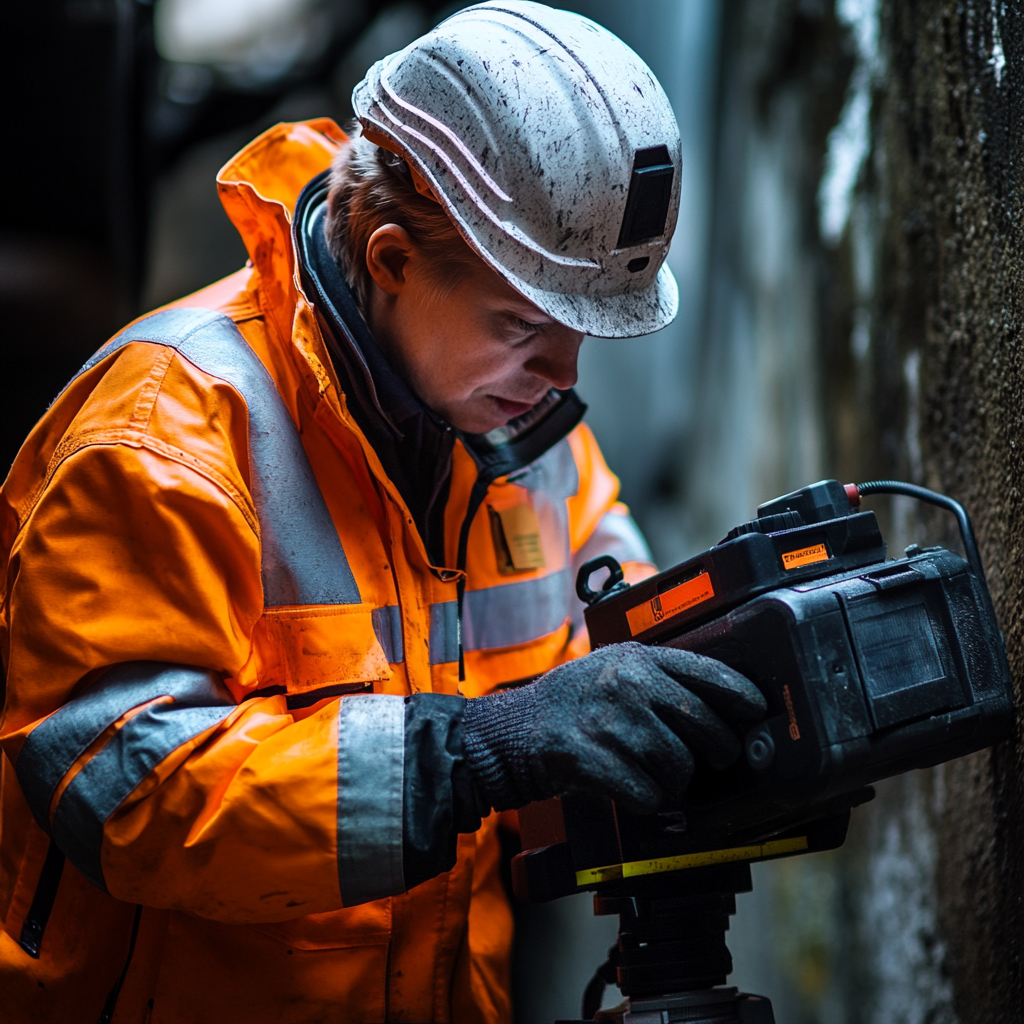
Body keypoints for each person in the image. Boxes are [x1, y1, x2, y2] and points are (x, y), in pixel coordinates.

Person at [0, 3, 765, 1022]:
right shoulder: (164, 434)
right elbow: (123, 794)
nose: (564, 373)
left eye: (583, 332)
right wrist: (476, 748)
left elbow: (605, 641)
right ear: (395, 257)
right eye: (525, 324)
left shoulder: (527, 435)